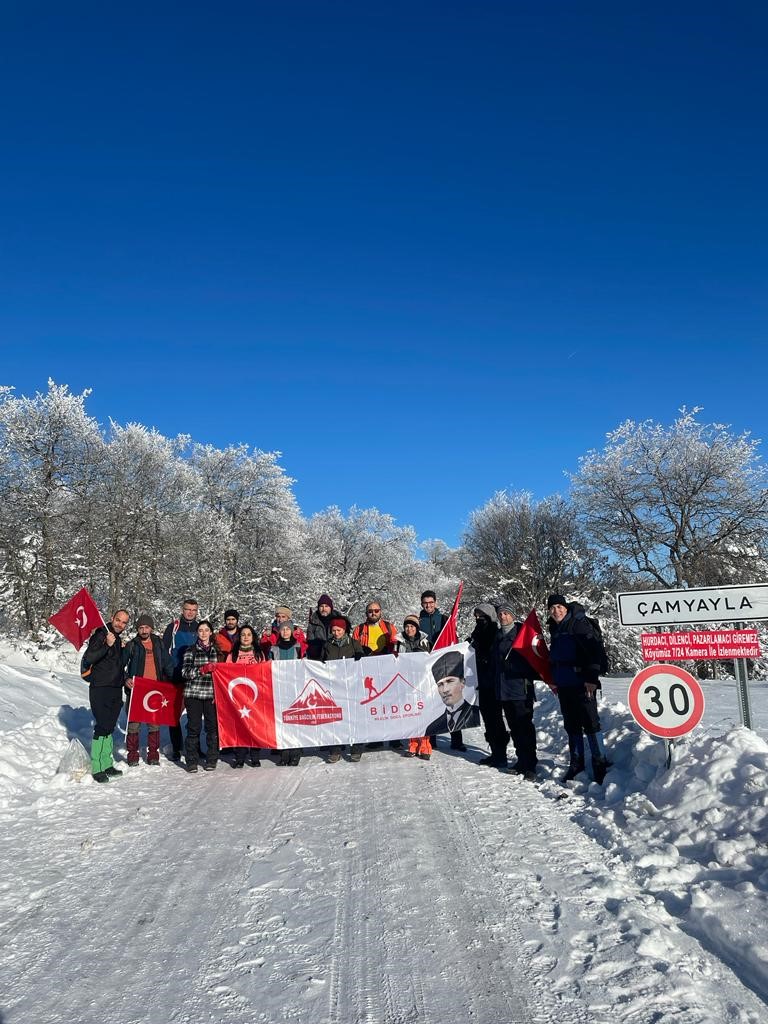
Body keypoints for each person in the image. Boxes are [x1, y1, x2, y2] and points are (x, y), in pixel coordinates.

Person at [546, 594, 611, 784]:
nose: (556, 611)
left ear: (566, 608)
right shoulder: (555, 628)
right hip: (565, 684)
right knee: (571, 724)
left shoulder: (578, 624)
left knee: (591, 723)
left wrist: (591, 678)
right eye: (552, 608)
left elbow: (594, 652)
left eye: (559, 607)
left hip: (583, 684)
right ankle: (576, 763)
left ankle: (600, 763)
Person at [82, 609, 130, 783]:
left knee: (109, 726)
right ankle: (97, 767)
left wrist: (125, 679)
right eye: (118, 620)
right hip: (100, 688)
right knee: (102, 726)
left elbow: (117, 666)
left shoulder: (117, 639)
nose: (120, 624)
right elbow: (90, 657)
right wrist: (106, 644)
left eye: (124, 622)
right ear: (112, 619)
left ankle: (107, 763)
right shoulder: (101, 635)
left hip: (115, 688)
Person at [493, 602, 540, 780]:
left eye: (506, 613)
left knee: (525, 727)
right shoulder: (497, 635)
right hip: (504, 689)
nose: (503, 616)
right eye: (501, 613)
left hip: (521, 689)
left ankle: (531, 764)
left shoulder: (522, 635)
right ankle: (521, 760)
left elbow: (533, 660)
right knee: (514, 727)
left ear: (513, 615)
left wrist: (515, 665)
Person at [123, 613, 174, 767]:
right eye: (141, 628)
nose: (144, 630)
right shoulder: (132, 645)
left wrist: (172, 681)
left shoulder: (158, 643)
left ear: (151, 628)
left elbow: (167, 663)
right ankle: (132, 754)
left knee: (154, 724)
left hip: (154, 689)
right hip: (138, 689)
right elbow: (121, 665)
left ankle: (153, 754)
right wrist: (126, 678)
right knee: (134, 724)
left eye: (146, 627)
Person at [419, 591, 463, 750]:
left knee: (451, 701)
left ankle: (457, 740)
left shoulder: (445, 620)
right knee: (431, 703)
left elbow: (453, 638)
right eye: (425, 603)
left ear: (436, 602)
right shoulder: (418, 621)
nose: (428, 605)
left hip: (445, 665)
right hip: (426, 666)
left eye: (431, 602)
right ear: (421, 604)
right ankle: (432, 740)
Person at [322, 615, 365, 762]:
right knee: (335, 718)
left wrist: (360, 656)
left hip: (351, 685)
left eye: (339, 630)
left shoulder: (354, 643)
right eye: (333, 630)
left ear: (344, 630)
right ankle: (335, 749)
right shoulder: (328, 645)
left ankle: (356, 748)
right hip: (334, 686)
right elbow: (321, 662)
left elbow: (362, 663)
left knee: (353, 717)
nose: (336, 633)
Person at [469, 604, 507, 769]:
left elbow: (496, 655)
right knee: (488, 719)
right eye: (476, 616)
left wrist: (485, 657)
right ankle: (495, 753)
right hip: (481, 682)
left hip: (493, 682)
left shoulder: (494, 633)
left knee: (496, 718)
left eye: (481, 616)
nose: (478, 619)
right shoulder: (477, 633)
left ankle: (501, 754)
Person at [162, 599, 200, 760]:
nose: (190, 612)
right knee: (174, 715)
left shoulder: (200, 628)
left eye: (193, 610)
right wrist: (167, 673)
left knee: (195, 716)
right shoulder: (173, 627)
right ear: (182, 610)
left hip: (194, 678)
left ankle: (195, 748)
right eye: (188, 609)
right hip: (176, 677)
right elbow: (164, 652)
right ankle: (177, 748)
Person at [181, 620, 221, 773]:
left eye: (206, 630)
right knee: (193, 728)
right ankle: (192, 760)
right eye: (200, 630)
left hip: (211, 694)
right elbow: (185, 673)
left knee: (212, 727)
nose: (203, 633)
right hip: (194, 694)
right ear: (197, 633)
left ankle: (212, 758)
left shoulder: (217, 651)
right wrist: (202, 669)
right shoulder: (190, 651)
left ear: (211, 632)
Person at [225, 624, 264, 769]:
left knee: (255, 725)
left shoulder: (259, 654)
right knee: (239, 726)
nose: (246, 637)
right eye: (243, 635)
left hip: (255, 697)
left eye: (249, 634)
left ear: (253, 637)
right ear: (239, 637)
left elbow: (263, 674)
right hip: (238, 697)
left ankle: (255, 756)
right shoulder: (232, 655)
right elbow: (226, 673)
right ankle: (240, 757)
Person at [394, 614, 432, 759]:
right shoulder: (399, 642)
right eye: (407, 626)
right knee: (410, 715)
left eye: (412, 626)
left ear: (417, 628)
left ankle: (425, 746)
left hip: (421, 681)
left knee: (423, 714)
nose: (409, 629)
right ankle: (413, 744)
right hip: (405, 682)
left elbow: (430, 659)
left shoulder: (424, 642)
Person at [425, 649, 480, 736]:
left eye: (450, 681)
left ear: (462, 682)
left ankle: (457, 743)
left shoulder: (474, 714)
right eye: (440, 684)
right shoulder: (432, 727)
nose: (445, 689)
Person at [306, 594, 336, 660]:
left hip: (335, 656)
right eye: (321, 606)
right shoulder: (313, 622)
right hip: (317, 657)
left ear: (331, 608)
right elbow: (310, 642)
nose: (324, 609)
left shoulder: (338, 620)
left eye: (326, 606)